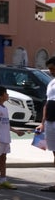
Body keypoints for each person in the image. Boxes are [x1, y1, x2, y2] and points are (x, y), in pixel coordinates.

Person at [0, 85, 24, 190]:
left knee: (3, 159)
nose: (8, 94)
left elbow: (5, 124)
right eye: (6, 93)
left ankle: (3, 180)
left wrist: (16, 131)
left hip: (5, 139)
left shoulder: (4, 108)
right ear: (0, 96)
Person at [41, 57, 55, 193]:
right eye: (49, 69)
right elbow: (47, 102)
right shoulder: (51, 83)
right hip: (50, 122)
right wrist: (42, 122)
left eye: (53, 68)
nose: (51, 71)